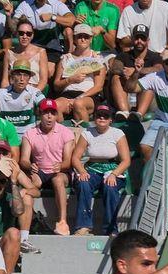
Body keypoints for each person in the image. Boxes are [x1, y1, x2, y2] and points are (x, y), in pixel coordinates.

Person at [72, 103, 129, 235]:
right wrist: (82, 171)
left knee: (110, 187)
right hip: (92, 168)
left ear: (110, 119)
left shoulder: (118, 133)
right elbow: (75, 158)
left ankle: (110, 229)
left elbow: (126, 160)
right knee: (83, 183)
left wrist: (114, 174)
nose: (102, 118)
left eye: (105, 116)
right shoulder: (87, 133)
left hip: (112, 168)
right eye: (99, 116)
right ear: (94, 118)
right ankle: (83, 226)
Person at [21, 98, 74, 234]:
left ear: (56, 115)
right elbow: (24, 160)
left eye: (52, 113)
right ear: (40, 114)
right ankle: (31, 219)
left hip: (60, 171)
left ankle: (62, 221)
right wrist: (30, 165)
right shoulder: (30, 133)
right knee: (32, 182)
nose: (49, 116)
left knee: (57, 180)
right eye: (46, 113)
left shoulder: (65, 132)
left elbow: (68, 161)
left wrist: (60, 166)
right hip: (40, 171)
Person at [53, 23, 105, 122]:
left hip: (88, 95)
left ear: (91, 39)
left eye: (86, 37)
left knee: (78, 104)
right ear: (75, 39)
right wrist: (70, 80)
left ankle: (83, 133)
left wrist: (79, 97)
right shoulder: (65, 58)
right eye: (80, 36)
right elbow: (56, 85)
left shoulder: (96, 59)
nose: (83, 39)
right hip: (67, 94)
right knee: (55, 106)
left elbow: (99, 86)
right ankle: (60, 133)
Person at [109, 24, 162, 117]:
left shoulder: (155, 56)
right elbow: (115, 68)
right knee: (116, 78)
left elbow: (159, 69)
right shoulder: (124, 55)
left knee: (150, 82)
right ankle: (124, 113)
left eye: (143, 39)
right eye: (137, 38)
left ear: (148, 41)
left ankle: (138, 115)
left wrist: (136, 71)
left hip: (146, 96)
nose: (139, 41)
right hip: (126, 92)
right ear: (132, 39)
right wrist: (124, 73)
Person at [0, 57, 45, 135]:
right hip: (7, 135)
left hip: (29, 135)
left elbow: (46, 105)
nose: (22, 79)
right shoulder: (1, 93)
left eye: (25, 75)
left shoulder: (34, 92)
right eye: (18, 75)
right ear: (12, 76)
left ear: (29, 78)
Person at [0, 19, 50, 90]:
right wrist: (4, 94)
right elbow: (5, 80)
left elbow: (43, 80)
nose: (24, 36)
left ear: (32, 35)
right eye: (21, 33)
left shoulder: (41, 52)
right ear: (17, 34)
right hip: (13, 92)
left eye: (28, 34)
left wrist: (34, 95)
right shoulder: (9, 53)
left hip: (33, 91)